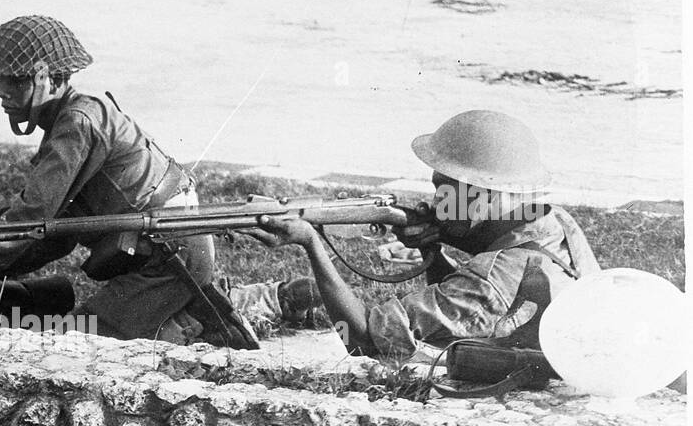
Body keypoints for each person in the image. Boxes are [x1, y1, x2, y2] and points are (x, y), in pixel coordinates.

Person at [0, 14, 304, 346]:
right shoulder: (72, 120)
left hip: (166, 259)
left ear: (50, 78)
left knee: (69, 352)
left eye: (16, 79)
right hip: (164, 254)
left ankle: (197, 322)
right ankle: (221, 303)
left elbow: (26, 224)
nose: (2, 91)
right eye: (0, 80)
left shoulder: (77, 124)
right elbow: (53, 235)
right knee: (59, 329)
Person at [249, 109, 600, 360]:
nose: (436, 202)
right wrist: (434, 246)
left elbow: (362, 340)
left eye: (445, 190)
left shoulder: (490, 279)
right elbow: (464, 299)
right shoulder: (556, 224)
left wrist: (310, 243)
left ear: (485, 193)